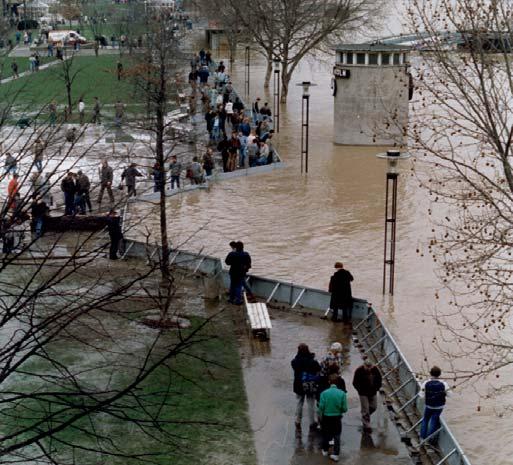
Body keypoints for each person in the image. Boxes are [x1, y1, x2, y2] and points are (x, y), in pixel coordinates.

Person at [318, 374, 348, 462]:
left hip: (326, 417)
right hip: (337, 417)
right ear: (337, 383)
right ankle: (335, 453)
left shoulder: (324, 393)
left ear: (329, 382)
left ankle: (325, 449)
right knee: (337, 435)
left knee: (326, 433)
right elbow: (345, 409)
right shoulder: (342, 394)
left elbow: (321, 407)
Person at [291, 344, 321, 430]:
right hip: (310, 384)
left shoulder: (295, 361)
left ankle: (297, 420)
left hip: (298, 385)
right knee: (311, 403)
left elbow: (294, 365)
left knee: (299, 402)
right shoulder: (312, 361)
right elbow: (318, 369)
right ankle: (312, 422)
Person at [419, 366, 450, 441]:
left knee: (425, 419)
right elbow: (450, 395)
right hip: (439, 406)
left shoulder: (426, 383)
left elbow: (421, 395)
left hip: (429, 405)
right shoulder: (444, 384)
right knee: (434, 420)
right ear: (439, 374)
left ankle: (422, 437)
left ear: (430, 373)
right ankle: (429, 439)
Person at [352, 358, 383, 433]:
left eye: (370, 367)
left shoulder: (375, 370)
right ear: (364, 365)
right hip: (363, 393)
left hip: (373, 392)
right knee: (365, 409)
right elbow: (355, 382)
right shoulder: (359, 370)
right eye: (367, 367)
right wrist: (360, 390)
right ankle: (367, 425)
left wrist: (376, 388)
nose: (369, 368)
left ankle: (365, 416)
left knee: (374, 407)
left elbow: (379, 379)